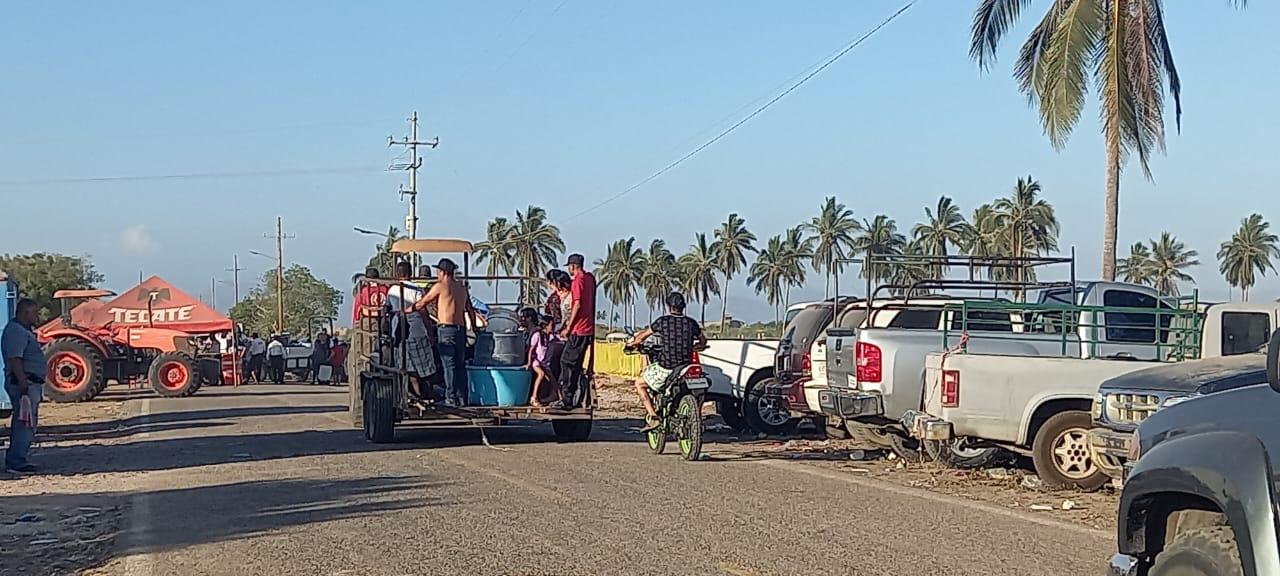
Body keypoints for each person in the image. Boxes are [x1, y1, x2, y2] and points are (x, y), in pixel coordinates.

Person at [627, 292, 706, 432]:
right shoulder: (691, 323)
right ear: (683, 306)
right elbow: (703, 341)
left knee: (639, 384)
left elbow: (643, 336)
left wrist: (633, 344)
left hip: (667, 367)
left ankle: (653, 417)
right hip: (686, 365)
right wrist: (695, 347)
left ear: (669, 306)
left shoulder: (662, 321)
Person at [406, 258, 477, 407]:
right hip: (461, 329)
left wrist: (408, 309)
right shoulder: (462, 287)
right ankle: (463, 398)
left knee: (448, 365)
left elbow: (423, 302)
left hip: (446, 329)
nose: (437, 274)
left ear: (443, 272)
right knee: (460, 364)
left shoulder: (440, 286)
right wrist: (475, 328)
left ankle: (450, 398)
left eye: (438, 271)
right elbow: (470, 309)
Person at [3, 298, 45, 475]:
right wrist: (22, 382)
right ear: (25, 312)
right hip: (25, 383)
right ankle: (16, 461)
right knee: (24, 423)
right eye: (35, 312)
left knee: (27, 422)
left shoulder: (23, 331)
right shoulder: (16, 332)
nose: (37, 316)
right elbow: (15, 359)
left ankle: (20, 458)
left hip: (30, 383)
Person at [386, 261, 438, 400]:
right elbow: (423, 311)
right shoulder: (416, 289)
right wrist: (430, 332)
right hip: (416, 329)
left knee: (405, 364)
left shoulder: (392, 290)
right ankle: (424, 394)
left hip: (398, 329)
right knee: (425, 364)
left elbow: (387, 309)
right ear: (410, 274)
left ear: (398, 274)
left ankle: (410, 395)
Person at [559, 253, 596, 408]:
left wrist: (569, 327)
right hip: (588, 329)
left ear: (573, 266)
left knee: (566, 362)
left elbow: (577, 304)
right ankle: (573, 393)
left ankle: (567, 396)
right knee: (576, 363)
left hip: (579, 329)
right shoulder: (590, 279)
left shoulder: (578, 281)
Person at [527, 314, 564, 407]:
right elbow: (531, 350)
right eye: (552, 325)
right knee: (541, 374)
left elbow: (560, 338)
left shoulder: (550, 336)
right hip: (536, 361)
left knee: (553, 379)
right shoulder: (537, 335)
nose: (553, 327)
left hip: (544, 363)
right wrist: (529, 363)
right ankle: (533, 397)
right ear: (545, 325)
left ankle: (559, 397)